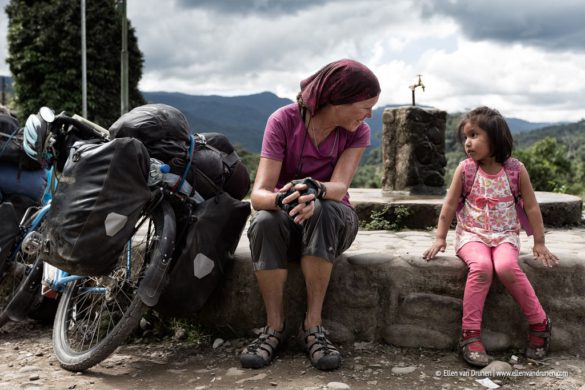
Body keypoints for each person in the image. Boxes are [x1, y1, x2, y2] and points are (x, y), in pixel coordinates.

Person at [240, 59, 380, 371]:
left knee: (326, 210)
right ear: (338, 101)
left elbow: (340, 185)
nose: (369, 114)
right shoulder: (284, 121)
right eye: (365, 106)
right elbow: (259, 194)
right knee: (264, 220)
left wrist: (314, 190)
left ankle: (312, 326)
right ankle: (273, 328)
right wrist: (287, 199)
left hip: (332, 222)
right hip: (286, 220)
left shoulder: (358, 132)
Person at [422, 106, 559, 367]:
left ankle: (539, 323)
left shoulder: (516, 170)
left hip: (505, 235)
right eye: (465, 137)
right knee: (482, 267)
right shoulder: (466, 170)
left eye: (474, 135)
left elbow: (531, 207)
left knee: (507, 266)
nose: (468, 143)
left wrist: (539, 241)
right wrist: (440, 237)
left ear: (495, 138)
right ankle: (470, 334)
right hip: (471, 235)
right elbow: (450, 205)